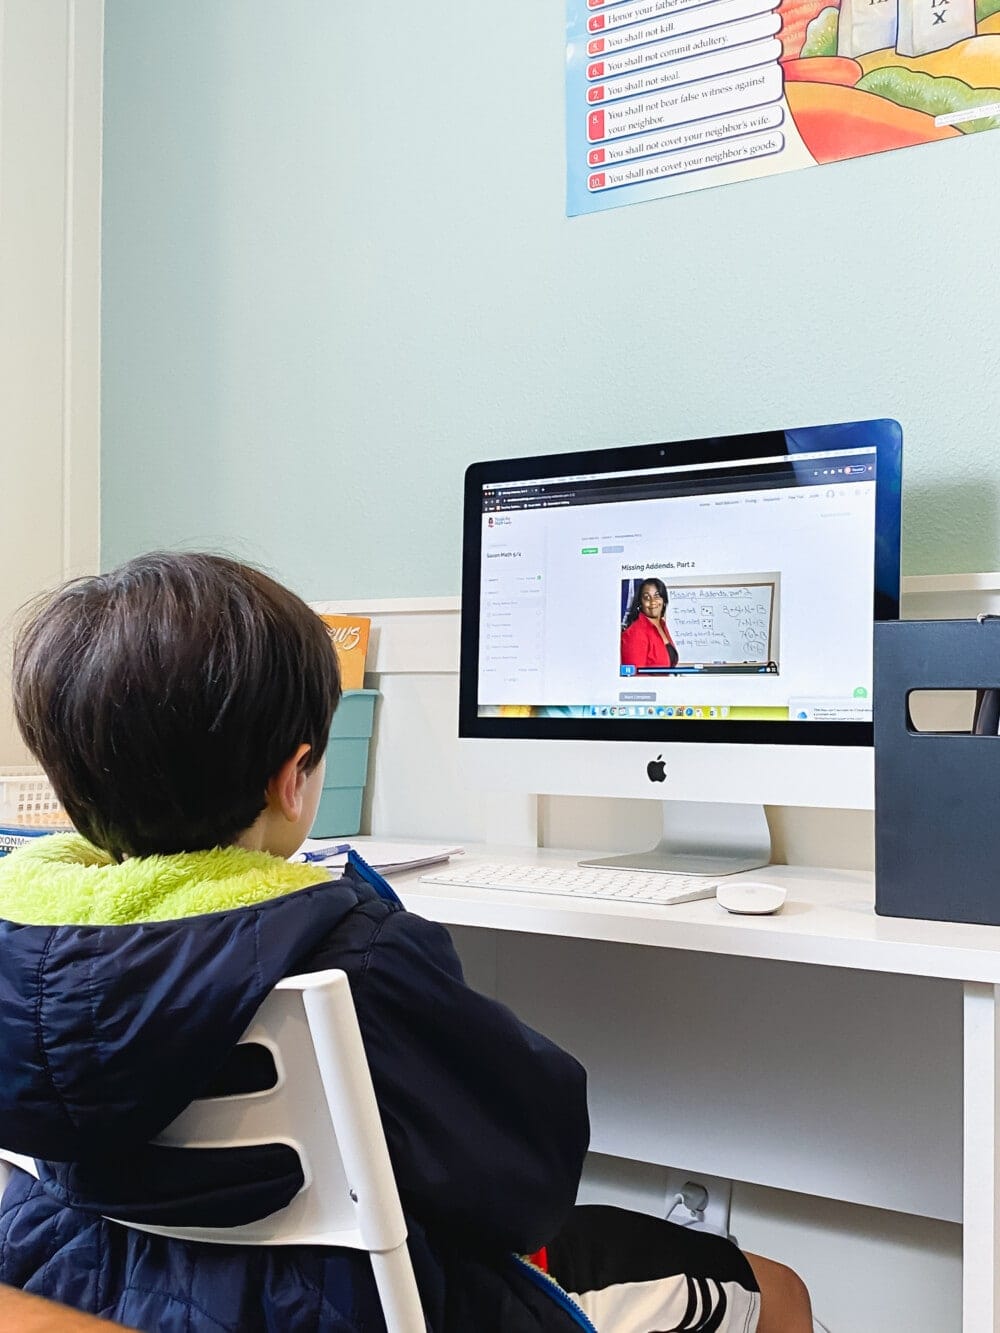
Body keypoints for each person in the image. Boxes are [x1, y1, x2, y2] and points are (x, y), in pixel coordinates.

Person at [0, 552, 812, 1333]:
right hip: (349, 1305)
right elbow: (529, 1184)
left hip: (88, 1283)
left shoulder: (26, 943)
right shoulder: (355, 952)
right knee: (775, 1287)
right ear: (295, 777)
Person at [621, 577, 680, 669]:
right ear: (640, 603)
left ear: (664, 600)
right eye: (647, 597)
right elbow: (634, 678)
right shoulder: (635, 633)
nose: (653, 602)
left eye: (657, 596)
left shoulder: (662, 625)